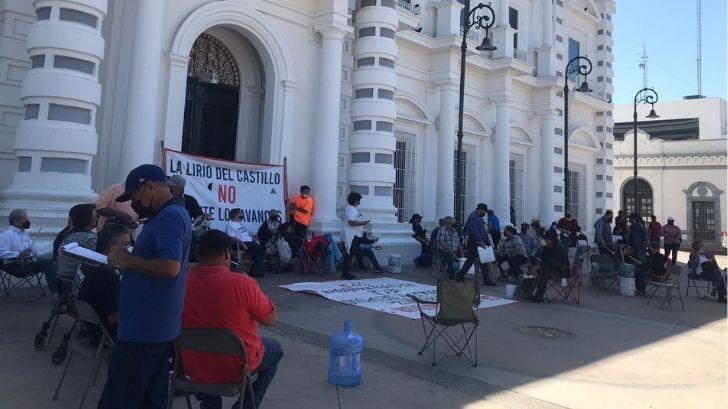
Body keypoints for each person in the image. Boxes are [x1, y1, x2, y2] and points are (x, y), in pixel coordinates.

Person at [97, 164, 192, 409]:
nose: (134, 203)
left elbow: (171, 267)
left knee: (119, 398)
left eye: (135, 196)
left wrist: (128, 260)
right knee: (150, 398)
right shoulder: (168, 215)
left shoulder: (169, 217)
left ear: (150, 186)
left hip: (145, 327)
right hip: (154, 324)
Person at [181, 230, 282, 409]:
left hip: (193, 367)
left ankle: (209, 403)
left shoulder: (179, 283)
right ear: (227, 253)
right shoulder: (243, 283)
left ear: (199, 254)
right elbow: (270, 319)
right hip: (237, 366)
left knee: (201, 350)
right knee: (275, 349)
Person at [75, 223, 131, 345]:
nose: (130, 249)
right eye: (126, 245)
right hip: (107, 333)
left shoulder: (88, 260)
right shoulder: (105, 274)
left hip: (91, 326)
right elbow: (114, 318)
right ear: (112, 246)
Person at [0, 209, 57, 293]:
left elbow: (34, 250)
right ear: (16, 220)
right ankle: (56, 292)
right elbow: (1, 253)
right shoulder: (6, 235)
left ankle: (60, 290)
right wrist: (19, 254)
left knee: (55, 256)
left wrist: (43, 253)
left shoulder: (23, 233)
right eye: (25, 219)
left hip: (29, 262)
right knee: (48, 262)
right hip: (16, 266)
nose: (27, 221)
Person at [456, 203, 497, 286]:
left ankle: (486, 279)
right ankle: (460, 275)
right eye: (484, 211)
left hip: (477, 241)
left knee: (481, 260)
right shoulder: (473, 217)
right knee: (473, 259)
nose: (484, 213)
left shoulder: (477, 217)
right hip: (474, 242)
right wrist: (480, 242)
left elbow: (480, 230)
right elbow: (474, 230)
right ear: (480, 210)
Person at [57, 203, 98, 282]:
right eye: (96, 217)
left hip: (64, 279)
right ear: (88, 219)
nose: (97, 219)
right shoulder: (90, 238)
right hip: (79, 281)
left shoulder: (68, 235)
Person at [527, 230, 570, 303]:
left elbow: (549, 262)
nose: (544, 241)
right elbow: (543, 260)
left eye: (545, 239)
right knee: (532, 268)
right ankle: (526, 292)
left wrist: (538, 267)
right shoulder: (548, 247)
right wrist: (541, 250)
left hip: (562, 272)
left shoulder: (558, 248)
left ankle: (539, 296)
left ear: (551, 240)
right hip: (551, 268)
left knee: (544, 272)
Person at [225, 208, 265, 277]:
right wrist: (241, 242)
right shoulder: (230, 224)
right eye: (240, 213)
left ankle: (255, 268)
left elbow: (244, 234)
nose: (242, 215)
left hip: (248, 241)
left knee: (259, 247)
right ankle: (248, 270)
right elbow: (230, 237)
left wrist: (253, 238)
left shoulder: (239, 223)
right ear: (235, 215)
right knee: (256, 248)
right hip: (240, 243)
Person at [341, 192, 368, 280]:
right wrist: (363, 222)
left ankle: (346, 272)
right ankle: (345, 273)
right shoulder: (352, 209)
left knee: (350, 253)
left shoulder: (350, 208)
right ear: (356, 200)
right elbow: (351, 222)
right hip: (352, 235)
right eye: (359, 200)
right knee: (350, 254)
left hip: (352, 234)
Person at [626, 213, 648, 295]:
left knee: (641, 271)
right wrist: (627, 246)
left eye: (631, 219)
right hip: (632, 251)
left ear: (635, 219)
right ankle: (637, 287)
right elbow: (629, 238)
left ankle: (642, 289)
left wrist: (642, 250)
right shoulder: (632, 228)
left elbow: (645, 241)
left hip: (640, 252)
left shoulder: (641, 228)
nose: (630, 221)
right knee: (633, 270)